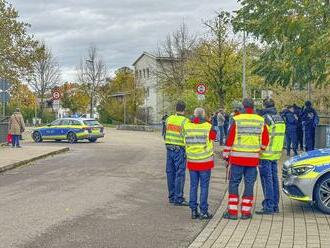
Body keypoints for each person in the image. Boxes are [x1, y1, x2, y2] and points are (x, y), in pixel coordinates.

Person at [222, 98, 269, 220]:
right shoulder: (260, 120)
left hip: (237, 159)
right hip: (252, 160)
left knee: (234, 183)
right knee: (249, 184)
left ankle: (232, 212)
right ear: (253, 106)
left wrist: (226, 155)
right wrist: (260, 151)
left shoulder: (237, 119)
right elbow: (265, 140)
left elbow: (230, 138)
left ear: (243, 106)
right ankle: (245, 212)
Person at [184, 108, 216, 219]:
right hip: (205, 161)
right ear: (204, 115)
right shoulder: (208, 126)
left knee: (193, 186)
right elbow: (213, 137)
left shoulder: (187, 126)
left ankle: (193, 210)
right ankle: (203, 211)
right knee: (204, 187)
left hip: (192, 160)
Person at [256, 99, 286, 215]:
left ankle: (268, 206)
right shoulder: (279, 118)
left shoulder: (266, 118)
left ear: (264, 105)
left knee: (266, 180)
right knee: (274, 179)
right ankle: (275, 205)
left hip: (265, 153)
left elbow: (262, 135)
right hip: (276, 153)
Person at [164, 101, 189, 206]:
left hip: (169, 148)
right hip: (179, 149)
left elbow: (165, 132)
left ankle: (171, 196)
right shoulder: (185, 121)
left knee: (170, 173)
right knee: (179, 174)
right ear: (184, 109)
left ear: (176, 108)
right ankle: (178, 198)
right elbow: (187, 136)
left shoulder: (168, 119)